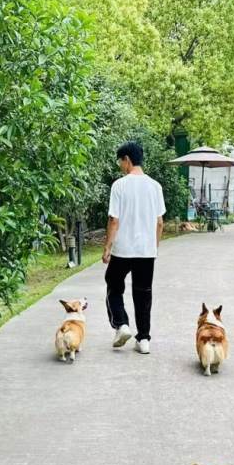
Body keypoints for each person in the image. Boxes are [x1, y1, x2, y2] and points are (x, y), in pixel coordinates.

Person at [103, 141, 166, 354]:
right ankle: (144, 340)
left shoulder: (119, 185)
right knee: (143, 294)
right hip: (146, 252)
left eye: (120, 162)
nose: (120, 166)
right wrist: (153, 247)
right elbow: (159, 222)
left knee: (113, 285)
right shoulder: (155, 186)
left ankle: (121, 324)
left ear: (127, 159)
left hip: (123, 249)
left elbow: (114, 220)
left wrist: (107, 247)